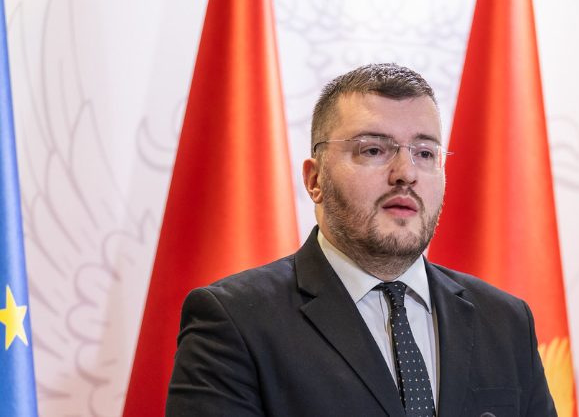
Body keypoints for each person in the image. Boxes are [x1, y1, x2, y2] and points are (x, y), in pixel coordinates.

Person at [165, 63, 557, 417]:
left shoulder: (507, 321)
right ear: (315, 180)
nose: (406, 172)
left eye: (424, 153)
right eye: (373, 150)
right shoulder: (234, 321)